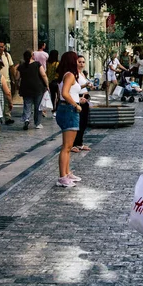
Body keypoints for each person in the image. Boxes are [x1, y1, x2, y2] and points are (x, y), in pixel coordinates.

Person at [55, 51, 83, 187]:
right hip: (69, 110)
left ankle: (66, 172)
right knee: (66, 147)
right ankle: (62, 176)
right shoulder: (70, 75)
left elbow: (67, 93)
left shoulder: (66, 75)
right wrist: (75, 105)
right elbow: (65, 93)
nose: (79, 62)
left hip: (66, 109)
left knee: (68, 146)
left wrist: (78, 100)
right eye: (77, 60)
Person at [17, 50, 49, 130]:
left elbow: (17, 77)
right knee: (38, 106)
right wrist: (47, 85)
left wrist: (18, 84)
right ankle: (37, 123)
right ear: (32, 56)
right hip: (38, 88)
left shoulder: (21, 66)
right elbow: (43, 75)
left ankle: (26, 119)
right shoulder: (37, 64)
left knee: (27, 105)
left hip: (25, 88)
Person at [73, 55, 94, 153]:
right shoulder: (74, 74)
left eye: (83, 62)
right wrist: (85, 85)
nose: (81, 64)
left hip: (85, 99)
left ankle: (79, 142)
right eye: (79, 62)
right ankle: (74, 143)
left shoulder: (82, 74)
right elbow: (75, 88)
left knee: (84, 122)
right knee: (79, 122)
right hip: (79, 99)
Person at [47, 50, 60, 117]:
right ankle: (56, 109)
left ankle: (53, 109)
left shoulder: (48, 63)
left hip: (50, 82)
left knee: (53, 96)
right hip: (57, 81)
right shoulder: (57, 63)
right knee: (58, 96)